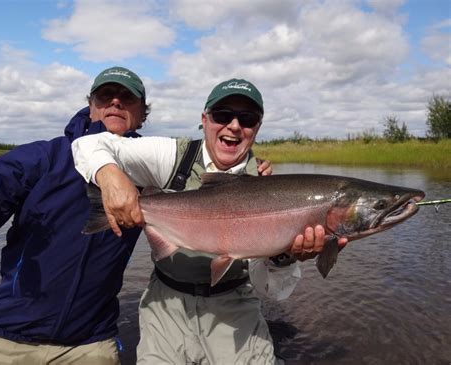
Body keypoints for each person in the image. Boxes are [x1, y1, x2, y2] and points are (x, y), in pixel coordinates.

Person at [72, 78, 348, 364]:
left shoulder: (268, 186)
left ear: (257, 128)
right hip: (166, 304)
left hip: (235, 308)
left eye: (248, 118)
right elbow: (87, 144)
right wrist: (110, 176)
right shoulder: (174, 156)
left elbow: (272, 291)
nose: (234, 125)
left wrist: (284, 258)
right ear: (204, 119)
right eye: (223, 115)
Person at [0, 66, 150, 364]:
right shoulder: (40, 158)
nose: (116, 102)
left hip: (89, 344)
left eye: (127, 97)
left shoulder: (150, 171)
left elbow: (208, 184)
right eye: (106, 95)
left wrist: (255, 175)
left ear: (142, 113)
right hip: (3, 335)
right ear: (91, 104)